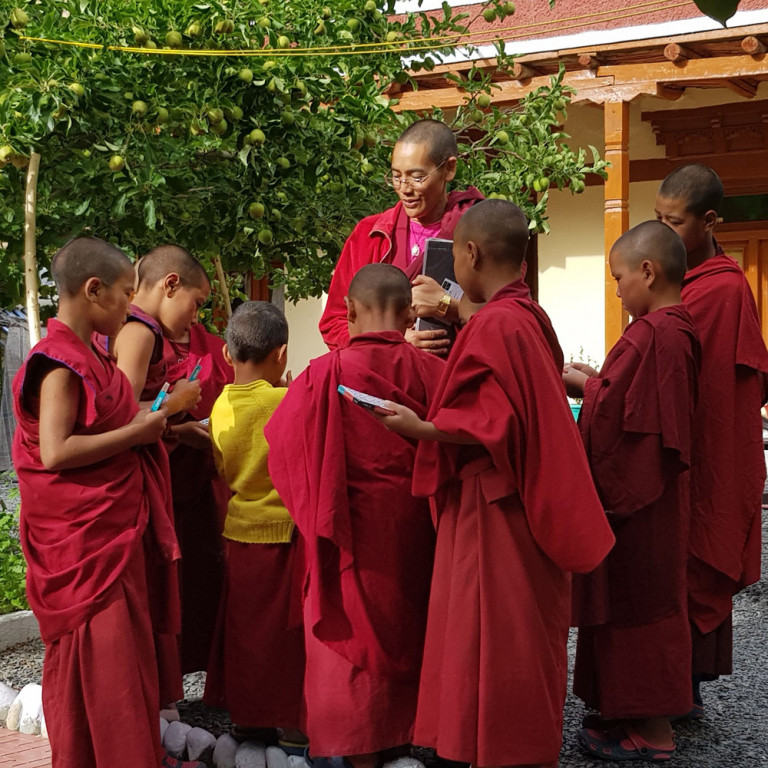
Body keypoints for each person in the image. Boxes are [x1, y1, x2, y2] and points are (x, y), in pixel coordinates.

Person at [374, 200, 615, 768]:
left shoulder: (496, 325)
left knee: (490, 633)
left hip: (494, 502)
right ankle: (507, 742)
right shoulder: (525, 314)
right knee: (522, 630)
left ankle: (486, 748)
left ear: (470, 254)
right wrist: (460, 316)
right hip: (523, 496)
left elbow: (492, 422)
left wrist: (421, 427)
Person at [11, 236, 201, 768]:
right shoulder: (58, 362)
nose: (129, 306)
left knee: (124, 667)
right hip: (83, 548)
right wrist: (141, 435)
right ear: (93, 291)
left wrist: (149, 422)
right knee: (102, 665)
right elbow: (55, 452)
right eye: (123, 293)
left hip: (111, 533)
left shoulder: (91, 355)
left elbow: (112, 417)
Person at [266, 264, 445, 768]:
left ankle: (359, 752)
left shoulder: (322, 375)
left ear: (348, 312)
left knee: (349, 635)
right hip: (417, 532)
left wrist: (314, 510)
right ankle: (409, 739)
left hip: (346, 530)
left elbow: (282, 451)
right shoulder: (434, 371)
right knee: (415, 625)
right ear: (410, 313)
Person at [563, 221, 701, 761]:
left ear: (648, 271)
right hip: (655, 499)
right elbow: (633, 402)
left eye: (619, 277)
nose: (617, 288)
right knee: (631, 603)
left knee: (642, 608)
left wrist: (584, 389)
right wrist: (600, 383)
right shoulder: (668, 329)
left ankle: (654, 733)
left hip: (642, 499)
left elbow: (633, 426)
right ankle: (627, 714)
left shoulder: (657, 333)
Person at [654, 164, 768, 716]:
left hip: (706, 453)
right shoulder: (681, 279)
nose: (662, 231)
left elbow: (724, 395)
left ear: (710, 221)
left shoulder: (723, 289)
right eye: (656, 218)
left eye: (673, 223)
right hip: (672, 446)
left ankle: (679, 694)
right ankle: (676, 691)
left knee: (694, 553)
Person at [105, 245, 209, 713]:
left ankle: (156, 705)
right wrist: (178, 403)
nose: (194, 318)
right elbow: (119, 417)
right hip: (131, 482)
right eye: (197, 303)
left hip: (154, 469)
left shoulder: (144, 331)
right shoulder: (139, 332)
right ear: (170, 284)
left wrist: (178, 430)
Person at [202, 301, 306, 748]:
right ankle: (292, 724)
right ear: (281, 354)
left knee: (246, 633)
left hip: (239, 529)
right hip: (282, 532)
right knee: (284, 633)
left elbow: (222, 469)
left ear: (227, 355)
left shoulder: (220, 406)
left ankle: (248, 721)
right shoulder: (286, 400)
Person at [319, 119, 485, 355]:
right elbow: (334, 322)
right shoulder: (371, 234)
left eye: (417, 177)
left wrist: (447, 305)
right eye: (396, 177)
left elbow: (505, 319)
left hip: (454, 379)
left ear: (449, 169)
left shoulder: (478, 230)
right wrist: (391, 342)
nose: (404, 189)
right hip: (384, 382)